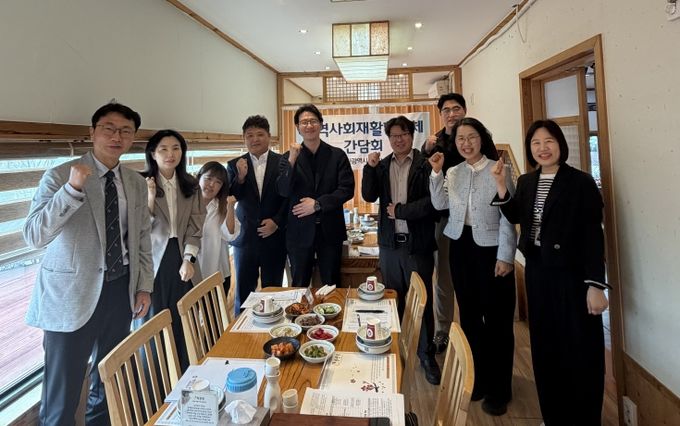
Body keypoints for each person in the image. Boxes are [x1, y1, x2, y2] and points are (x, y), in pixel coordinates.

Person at [23, 102, 153, 425]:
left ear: (133, 138)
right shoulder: (60, 176)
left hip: (120, 290)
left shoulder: (135, 182)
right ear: (92, 132)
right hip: (71, 296)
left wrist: (143, 286)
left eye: (125, 131)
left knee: (110, 380)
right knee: (61, 397)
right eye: (109, 128)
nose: (116, 137)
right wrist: (71, 190)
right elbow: (34, 235)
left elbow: (141, 238)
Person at [491, 119, 609, 425]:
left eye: (549, 141)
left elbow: (593, 235)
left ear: (560, 144)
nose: (542, 148)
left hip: (573, 276)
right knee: (545, 347)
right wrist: (501, 185)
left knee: (581, 350)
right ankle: (554, 416)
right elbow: (516, 215)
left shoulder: (581, 182)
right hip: (538, 272)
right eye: (536, 143)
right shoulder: (528, 181)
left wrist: (596, 285)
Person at [429, 117, 517, 416]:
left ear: (482, 138)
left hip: (492, 251)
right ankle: (478, 379)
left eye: (471, 137)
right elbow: (440, 205)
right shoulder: (453, 171)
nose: (466, 143)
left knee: (497, 322)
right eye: (460, 139)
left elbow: (508, 217)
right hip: (460, 246)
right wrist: (436, 173)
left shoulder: (499, 169)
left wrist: (506, 256)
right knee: (469, 317)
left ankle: (500, 389)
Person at [362, 116, 440, 385]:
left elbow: (433, 204)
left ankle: (426, 355)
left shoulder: (425, 165)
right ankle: (394, 348)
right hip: (390, 245)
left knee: (422, 302)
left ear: (411, 135)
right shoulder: (382, 165)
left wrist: (402, 211)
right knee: (393, 299)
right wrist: (369, 168)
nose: (399, 139)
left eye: (403, 134)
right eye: (393, 135)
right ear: (389, 138)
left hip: (417, 246)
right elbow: (369, 195)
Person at [140, 129, 205, 371]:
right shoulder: (140, 182)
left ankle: (186, 372)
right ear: (153, 153)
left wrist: (189, 258)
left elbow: (195, 226)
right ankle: (156, 380)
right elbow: (138, 230)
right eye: (163, 149)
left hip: (181, 256)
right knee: (154, 322)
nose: (170, 154)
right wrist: (149, 198)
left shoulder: (191, 184)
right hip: (153, 261)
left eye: (176, 148)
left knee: (183, 317)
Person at [277, 104, 355, 286]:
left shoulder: (337, 155)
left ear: (321, 124)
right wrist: (292, 161)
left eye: (313, 121)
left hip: (330, 231)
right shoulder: (288, 157)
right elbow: (283, 190)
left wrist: (318, 204)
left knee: (332, 284)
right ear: (298, 127)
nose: (309, 125)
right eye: (304, 122)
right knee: (299, 284)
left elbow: (347, 189)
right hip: (299, 233)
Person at [420, 93, 467, 353]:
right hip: (444, 217)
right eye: (446, 110)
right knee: (444, 278)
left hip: (473, 219)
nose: (451, 114)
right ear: (440, 114)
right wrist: (425, 150)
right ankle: (443, 331)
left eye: (456, 108)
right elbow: (424, 174)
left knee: (470, 277)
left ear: (464, 110)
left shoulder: (476, 136)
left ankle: (470, 330)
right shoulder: (434, 142)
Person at [227, 115, 288, 314]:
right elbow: (231, 197)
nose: (255, 139)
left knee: (274, 290)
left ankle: (274, 326)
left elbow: (288, 196)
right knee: (244, 293)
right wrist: (240, 177)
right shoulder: (234, 164)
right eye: (250, 135)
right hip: (245, 238)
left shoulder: (283, 162)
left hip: (275, 237)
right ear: (244, 138)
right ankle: (241, 330)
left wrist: (277, 222)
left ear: (269, 136)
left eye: (260, 134)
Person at [196, 161, 240, 298]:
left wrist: (230, 207)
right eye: (208, 178)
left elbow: (230, 235)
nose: (211, 185)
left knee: (215, 313)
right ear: (199, 177)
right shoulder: (185, 204)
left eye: (218, 182)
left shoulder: (222, 207)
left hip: (217, 275)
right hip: (189, 274)